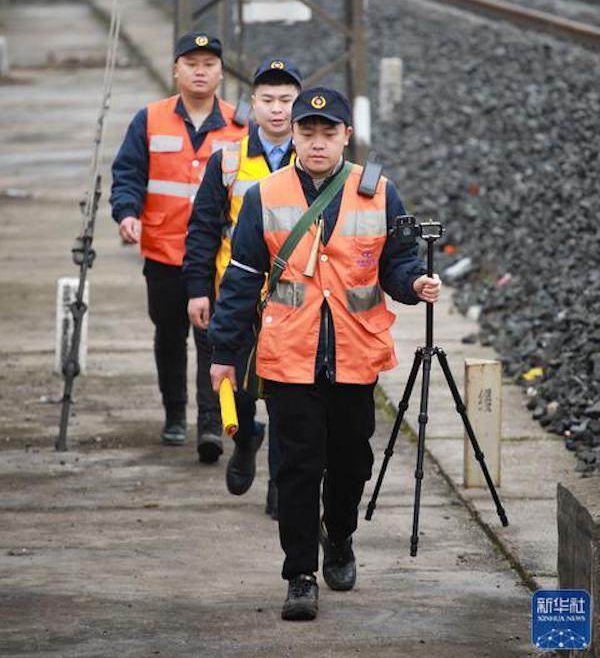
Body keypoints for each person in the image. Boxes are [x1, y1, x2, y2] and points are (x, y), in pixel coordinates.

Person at [207, 87, 441, 621]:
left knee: (351, 462)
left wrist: (415, 285)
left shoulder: (379, 192)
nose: (317, 143)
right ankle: (299, 575)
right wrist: (224, 350)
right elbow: (241, 279)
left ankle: (339, 537)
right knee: (295, 467)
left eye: (327, 133)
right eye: (307, 132)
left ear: (346, 136)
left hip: (356, 355)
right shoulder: (265, 195)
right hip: (289, 355)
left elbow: (396, 263)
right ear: (293, 134)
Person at [110, 31, 247, 461]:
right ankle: (174, 415)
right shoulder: (149, 120)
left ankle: (211, 424)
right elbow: (128, 174)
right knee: (169, 336)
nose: (200, 71)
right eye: (192, 63)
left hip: (218, 257)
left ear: (221, 73)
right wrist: (127, 213)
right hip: (165, 252)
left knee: (215, 339)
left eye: (209, 64)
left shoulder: (242, 126)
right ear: (176, 70)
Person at [184, 59, 302, 519]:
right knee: (243, 389)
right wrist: (199, 289)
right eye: (268, 100)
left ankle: (280, 485)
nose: (277, 111)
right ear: (251, 105)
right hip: (238, 295)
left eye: (287, 101)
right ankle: (246, 436)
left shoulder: (312, 158)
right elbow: (202, 229)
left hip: (294, 302)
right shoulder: (228, 160)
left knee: (288, 399)